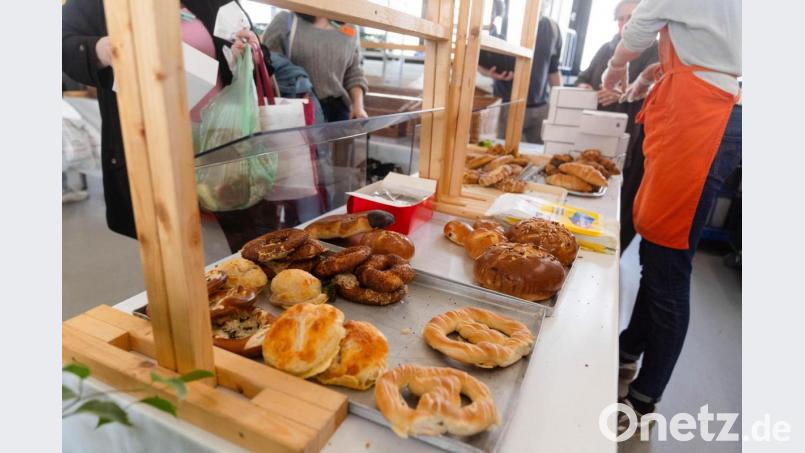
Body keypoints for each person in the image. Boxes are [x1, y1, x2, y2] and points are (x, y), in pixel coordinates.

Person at [601, 0, 741, 432]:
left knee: (668, 263)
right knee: (659, 247)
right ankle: (629, 349)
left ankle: (644, 397)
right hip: (709, 106)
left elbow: (644, 24)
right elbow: (701, 41)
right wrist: (648, 75)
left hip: (700, 116)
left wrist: (616, 67)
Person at [63, 0, 273, 244]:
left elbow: (259, 51)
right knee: (175, 251)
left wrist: (250, 51)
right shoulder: (98, 5)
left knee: (246, 244)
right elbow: (61, 42)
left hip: (223, 144)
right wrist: (104, 48)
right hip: (154, 153)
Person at [575, 0, 659, 251]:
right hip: (596, 135)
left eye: (631, 18)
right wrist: (586, 88)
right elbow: (584, 77)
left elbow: (655, 87)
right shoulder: (606, 48)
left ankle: (611, 251)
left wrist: (623, 94)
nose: (625, 24)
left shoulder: (655, 50)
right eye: (621, 19)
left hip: (634, 139)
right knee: (590, 191)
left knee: (622, 198)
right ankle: (584, 243)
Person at [262, 11, 368, 122]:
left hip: (339, 111)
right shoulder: (287, 21)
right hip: (299, 108)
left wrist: (358, 106)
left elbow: (354, 72)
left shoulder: (349, 28)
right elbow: (269, 66)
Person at [478, 15, 563, 144]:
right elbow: (479, 62)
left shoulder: (552, 28)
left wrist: (560, 104)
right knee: (500, 153)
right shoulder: (504, 20)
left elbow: (553, 69)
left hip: (540, 109)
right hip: (508, 106)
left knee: (538, 155)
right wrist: (490, 74)